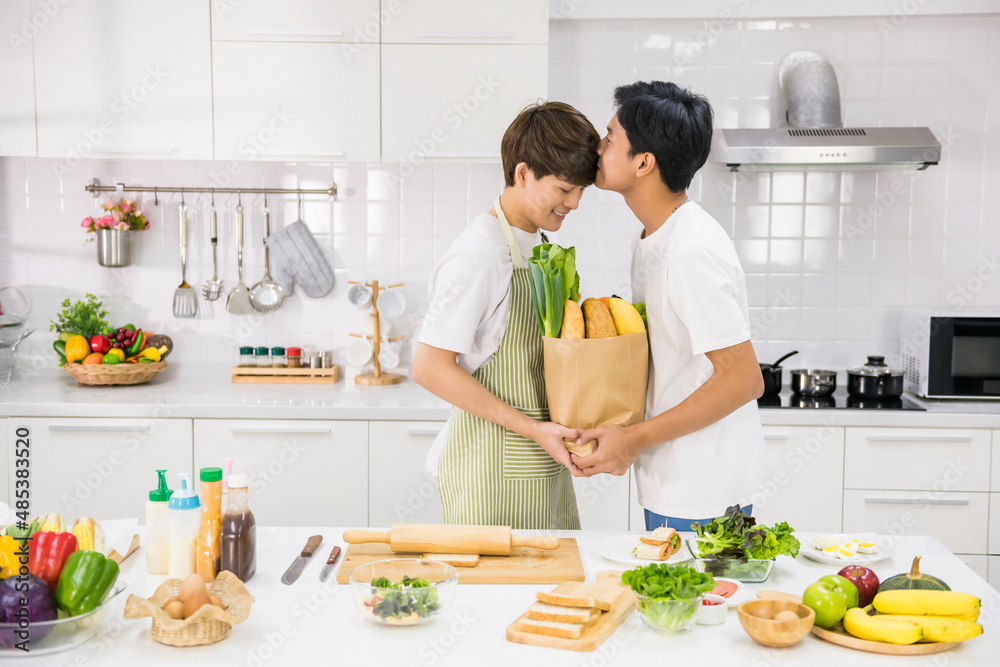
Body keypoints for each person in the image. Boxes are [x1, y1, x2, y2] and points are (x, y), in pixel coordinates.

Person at [570, 81, 766, 531]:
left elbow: (743, 378)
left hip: (705, 491)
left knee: (693, 603)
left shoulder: (691, 251)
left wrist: (632, 439)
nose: (598, 148)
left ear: (643, 162)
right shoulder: (657, 237)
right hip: (676, 479)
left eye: (610, 137)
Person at [413, 101, 600, 530]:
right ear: (522, 174)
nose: (574, 203)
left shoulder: (537, 246)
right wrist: (535, 431)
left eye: (581, 191)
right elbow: (429, 368)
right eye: (564, 188)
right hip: (490, 471)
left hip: (541, 463)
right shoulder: (479, 253)